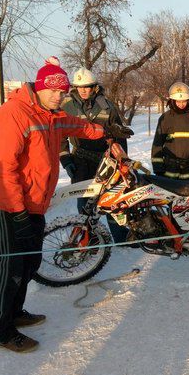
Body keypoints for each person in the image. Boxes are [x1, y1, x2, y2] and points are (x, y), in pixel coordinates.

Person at [0, 57, 109, 353]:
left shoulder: (51, 114)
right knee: (10, 265)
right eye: (54, 91)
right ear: (39, 88)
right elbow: (3, 169)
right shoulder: (14, 113)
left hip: (37, 203)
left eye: (63, 92)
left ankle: (16, 312)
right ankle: (2, 331)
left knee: (30, 262)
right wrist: (17, 213)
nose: (60, 96)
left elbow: (78, 125)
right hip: (10, 205)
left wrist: (106, 133)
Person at [60, 67, 130, 244]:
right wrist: (66, 159)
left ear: (94, 87)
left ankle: (120, 237)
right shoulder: (66, 107)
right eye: (80, 87)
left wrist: (123, 159)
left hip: (105, 159)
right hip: (80, 160)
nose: (83, 90)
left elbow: (119, 135)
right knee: (84, 203)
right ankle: (88, 239)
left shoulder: (107, 106)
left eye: (87, 87)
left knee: (112, 199)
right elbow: (60, 136)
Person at [151, 82, 189, 179]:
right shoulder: (165, 118)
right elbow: (157, 144)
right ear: (172, 101)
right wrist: (158, 168)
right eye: (178, 101)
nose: (181, 104)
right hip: (170, 170)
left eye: (184, 101)